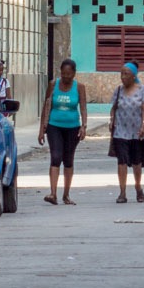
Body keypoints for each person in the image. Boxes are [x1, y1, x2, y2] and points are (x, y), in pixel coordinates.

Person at [107, 62, 144, 203]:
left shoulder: (143, 90)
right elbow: (114, 108)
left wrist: (143, 125)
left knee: (136, 163)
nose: (123, 77)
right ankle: (122, 192)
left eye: (126, 74)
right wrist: (111, 120)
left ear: (133, 76)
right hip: (120, 132)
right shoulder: (118, 90)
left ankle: (138, 187)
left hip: (137, 133)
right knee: (121, 161)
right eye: (121, 74)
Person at [39, 58, 84, 205]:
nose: (66, 77)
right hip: (54, 126)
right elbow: (46, 106)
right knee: (56, 156)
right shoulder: (53, 85)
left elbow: (83, 107)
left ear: (74, 74)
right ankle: (53, 193)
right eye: (63, 73)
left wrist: (84, 126)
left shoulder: (79, 87)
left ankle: (66, 195)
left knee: (68, 160)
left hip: (73, 127)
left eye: (69, 74)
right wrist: (41, 130)